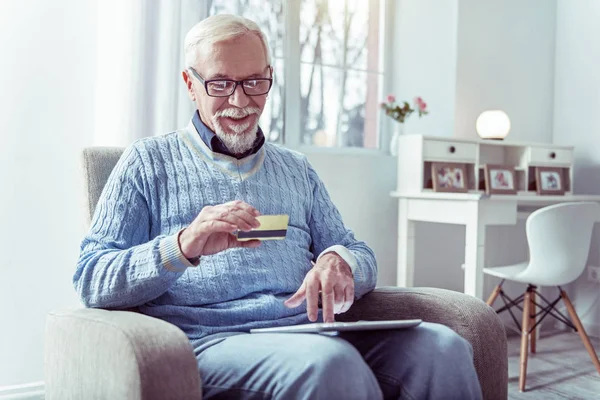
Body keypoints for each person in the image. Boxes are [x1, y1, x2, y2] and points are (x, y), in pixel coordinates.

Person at [74, 14, 482, 400]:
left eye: (254, 82)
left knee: (443, 347)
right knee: (330, 364)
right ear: (190, 83)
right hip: (210, 341)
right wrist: (182, 246)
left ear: (270, 76)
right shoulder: (148, 162)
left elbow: (359, 253)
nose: (241, 100)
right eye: (220, 84)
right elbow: (92, 278)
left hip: (309, 336)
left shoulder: (296, 169)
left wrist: (340, 261)